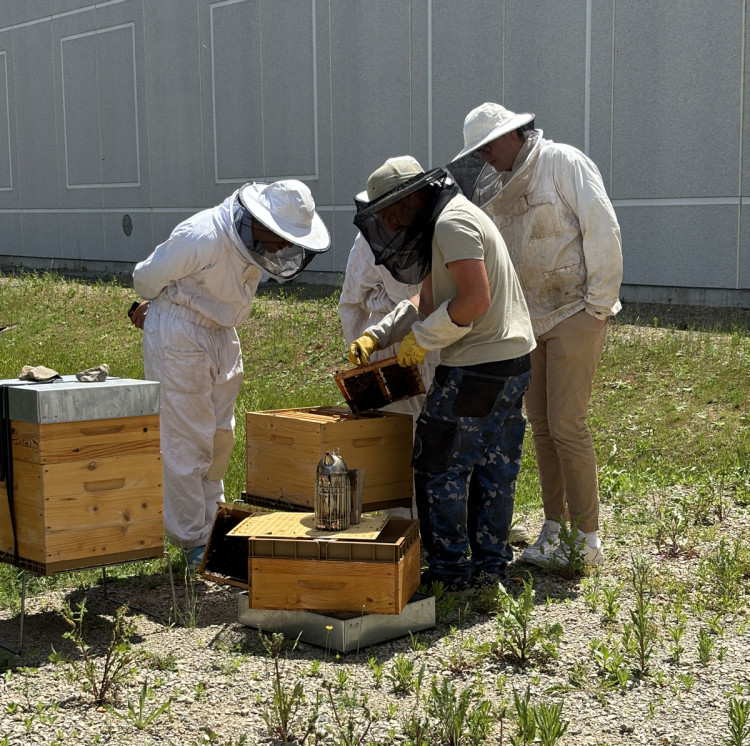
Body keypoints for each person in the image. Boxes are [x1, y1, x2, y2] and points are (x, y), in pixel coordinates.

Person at [348, 156, 535, 590]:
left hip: (477, 367)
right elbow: (426, 301)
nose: (391, 223)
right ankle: (490, 568)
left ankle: (449, 574)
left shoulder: (452, 224)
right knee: (493, 466)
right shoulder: (448, 220)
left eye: (393, 210)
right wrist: (378, 335)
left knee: (438, 466)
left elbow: (473, 302)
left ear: (414, 197)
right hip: (510, 363)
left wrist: (424, 339)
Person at [451, 102, 623, 568]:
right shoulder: (494, 184)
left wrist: (598, 307)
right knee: (543, 427)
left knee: (568, 423)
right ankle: (554, 528)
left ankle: (587, 539)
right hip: (532, 319)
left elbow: (602, 227)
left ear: (514, 134)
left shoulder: (564, 161)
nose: (484, 157)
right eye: (478, 151)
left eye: (488, 146)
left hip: (576, 310)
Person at [130, 180, 330, 567]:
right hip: (180, 333)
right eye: (283, 237)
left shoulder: (249, 242)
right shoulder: (201, 235)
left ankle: (213, 528)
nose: (286, 247)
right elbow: (145, 277)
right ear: (261, 222)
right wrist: (157, 305)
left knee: (220, 437)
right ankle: (192, 541)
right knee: (186, 442)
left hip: (221, 333)